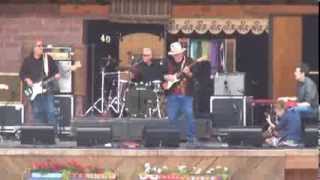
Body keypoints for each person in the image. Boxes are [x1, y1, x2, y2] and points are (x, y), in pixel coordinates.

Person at [19, 40, 60, 126]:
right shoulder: (27, 60)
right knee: (38, 114)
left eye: (42, 45)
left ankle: (53, 136)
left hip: (47, 90)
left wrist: (57, 75)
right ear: (34, 48)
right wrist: (27, 79)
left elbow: (56, 71)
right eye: (39, 46)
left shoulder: (48, 59)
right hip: (34, 92)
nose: (41, 47)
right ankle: (40, 137)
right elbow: (22, 74)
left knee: (51, 112)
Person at [163, 42, 197, 144]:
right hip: (172, 94)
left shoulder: (189, 61)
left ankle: (191, 138)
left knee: (189, 114)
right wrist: (166, 77)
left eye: (178, 54)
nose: (177, 56)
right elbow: (161, 74)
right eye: (175, 54)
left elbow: (194, 76)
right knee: (172, 117)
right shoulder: (168, 62)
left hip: (186, 94)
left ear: (182, 53)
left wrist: (188, 73)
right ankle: (172, 138)